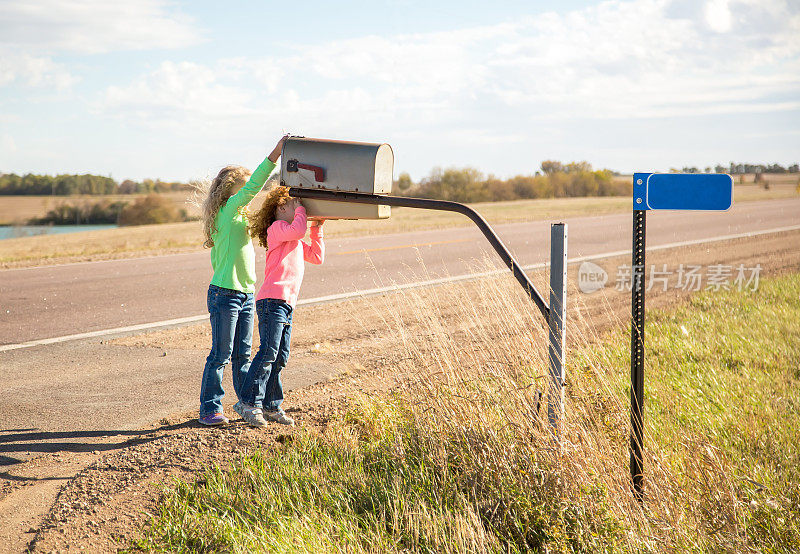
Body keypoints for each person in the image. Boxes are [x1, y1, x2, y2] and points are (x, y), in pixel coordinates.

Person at [197, 135, 287, 426]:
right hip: (225, 293)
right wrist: (274, 155)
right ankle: (210, 408)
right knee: (221, 354)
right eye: (244, 185)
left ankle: (249, 403)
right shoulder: (227, 211)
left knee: (243, 356)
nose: (251, 191)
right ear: (230, 189)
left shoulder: (241, 216)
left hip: (246, 293)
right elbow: (254, 186)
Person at [235, 186, 324, 427]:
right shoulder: (277, 230)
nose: (295, 208)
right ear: (279, 209)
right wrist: (302, 210)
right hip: (272, 300)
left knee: (280, 356)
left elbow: (317, 256)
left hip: (286, 303)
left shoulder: (293, 240)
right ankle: (248, 402)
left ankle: (271, 405)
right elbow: (298, 228)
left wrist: (317, 228)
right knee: (268, 352)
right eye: (290, 205)